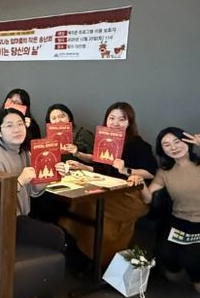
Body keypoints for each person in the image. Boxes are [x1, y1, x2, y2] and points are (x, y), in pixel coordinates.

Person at [58, 102, 157, 266]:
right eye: (111, 118)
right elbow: (100, 167)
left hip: (132, 195)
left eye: (122, 119)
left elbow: (151, 172)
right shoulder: (104, 140)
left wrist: (126, 170)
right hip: (109, 190)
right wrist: (82, 165)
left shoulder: (138, 144)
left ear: (129, 122)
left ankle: (100, 261)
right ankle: (86, 256)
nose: (115, 123)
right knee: (83, 203)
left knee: (93, 207)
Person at [0, 108, 65, 256]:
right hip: (5, 222)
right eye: (9, 126)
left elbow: (34, 191)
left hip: (23, 217)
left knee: (61, 232)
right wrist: (19, 182)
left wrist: (52, 174)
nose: (17, 129)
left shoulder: (23, 152)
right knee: (58, 236)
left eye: (20, 124)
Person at [137, 128, 200, 293]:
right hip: (179, 222)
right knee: (165, 255)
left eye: (177, 142)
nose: (173, 147)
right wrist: (140, 183)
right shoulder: (164, 172)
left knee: (192, 258)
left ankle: (197, 278)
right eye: (166, 145)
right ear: (162, 150)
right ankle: (181, 272)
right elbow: (148, 198)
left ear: (187, 142)